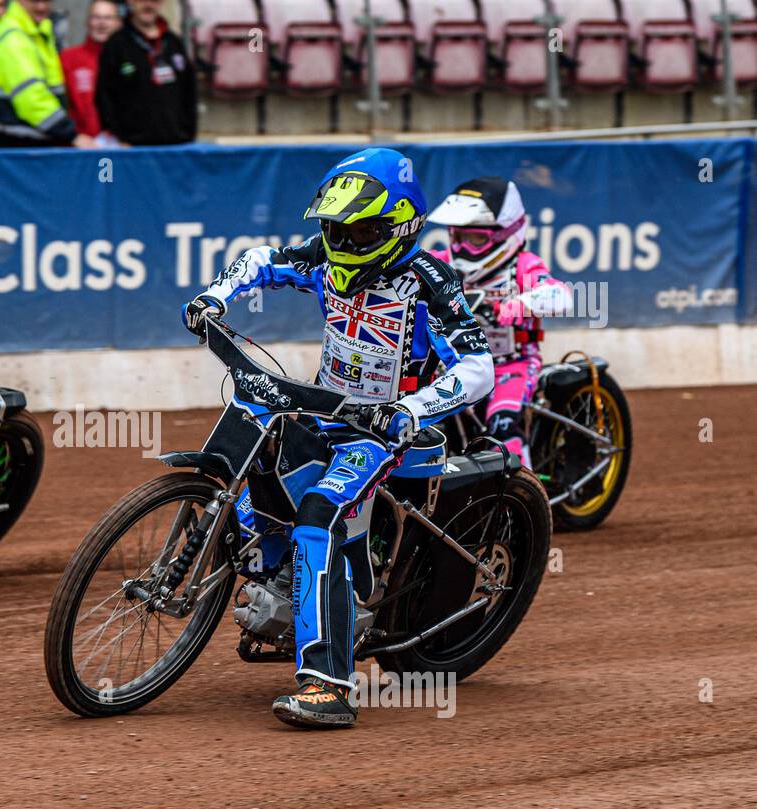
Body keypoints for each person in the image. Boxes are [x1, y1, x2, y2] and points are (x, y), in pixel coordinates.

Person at [181, 148, 493, 728]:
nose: (342, 244)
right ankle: (290, 586)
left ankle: (329, 684)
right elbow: (259, 259)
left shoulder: (428, 282)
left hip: (384, 431)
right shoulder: (324, 258)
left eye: (359, 232)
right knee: (259, 476)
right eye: (333, 230)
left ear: (399, 225)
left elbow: (478, 369)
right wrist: (214, 297)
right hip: (323, 411)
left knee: (318, 514)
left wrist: (409, 408)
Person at [427, 177, 573, 469]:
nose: (463, 247)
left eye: (476, 238)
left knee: (503, 426)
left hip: (510, 365)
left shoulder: (522, 265)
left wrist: (519, 304)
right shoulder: (438, 262)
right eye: (457, 237)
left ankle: (526, 502)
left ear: (506, 233)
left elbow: (561, 295)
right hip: (453, 367)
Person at [0, 0, 92, 147]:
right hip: (19, 146)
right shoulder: (14, 38)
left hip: (34, 142)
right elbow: (31, 97)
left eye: (46, 1)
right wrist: (70, 134)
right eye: (34, 1)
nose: (41, 7)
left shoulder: (38, 30)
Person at [95, 0, 196, 146]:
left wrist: (187, 135)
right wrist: (118, 137)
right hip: (132, 148)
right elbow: (103, 96)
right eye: (142, 0)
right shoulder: (116, 44)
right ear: (130, 2)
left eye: (154, 1)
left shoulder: (174, 43)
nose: (148, 5)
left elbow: (189, 93)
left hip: (175, 144)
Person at [60, 0, 121, 140]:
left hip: (122, 144)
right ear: (87, 22)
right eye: (96, 17)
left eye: (108, 18)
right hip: (81, 145)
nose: (102, 23)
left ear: (118, 23)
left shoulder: (128, 60)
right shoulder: (68, 58)